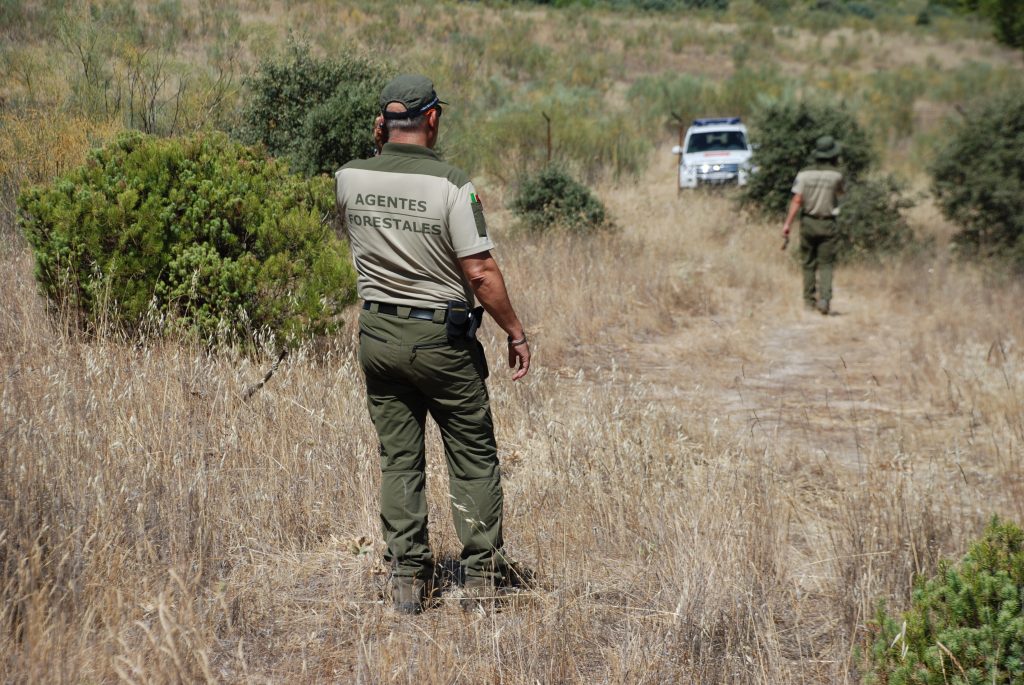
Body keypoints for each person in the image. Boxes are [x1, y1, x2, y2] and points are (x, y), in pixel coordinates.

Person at [334, 74, 531, 615]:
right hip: (441, 339)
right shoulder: (452, 185)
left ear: (381, 124)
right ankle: (484, 580)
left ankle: (406, 580)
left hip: (377, 336)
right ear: (433, 119)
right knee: (472, 456)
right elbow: (481, 273)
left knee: (399, 459)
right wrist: (515, 331)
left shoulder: (348, 177)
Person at [782, 135, 845, 315]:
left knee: (808, 263)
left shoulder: (804, 175)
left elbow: (797, 200)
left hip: (808, 222)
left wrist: (787, 224)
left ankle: (809, 302)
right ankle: (825, 299)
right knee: (826, 264)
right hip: (828, 223)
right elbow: (840, 194)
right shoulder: (836, 176)